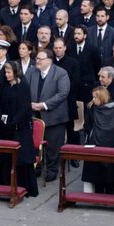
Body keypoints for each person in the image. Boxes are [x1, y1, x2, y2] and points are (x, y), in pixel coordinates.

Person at [0, 62, 38, 197]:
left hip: (19, 128)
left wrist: (13, 122)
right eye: (5, 72)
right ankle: (4, 185)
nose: (6, 75)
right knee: (4, 157)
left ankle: (24, 186)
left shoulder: (22, 86)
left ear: (15, 72)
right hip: (5, 128)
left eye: (9, 73)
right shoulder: (4, 85)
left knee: (21, 159)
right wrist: (0, 118)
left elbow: (25, 108)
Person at [27, 49, 71, 182]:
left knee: (53, 145)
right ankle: (37, 167)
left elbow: (63, 93)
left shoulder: (60, 73)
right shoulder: (31, 71)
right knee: (34, 143)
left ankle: (52, 170)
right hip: (34, 115)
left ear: (49, 61)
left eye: (40, 59)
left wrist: (44, 105)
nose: (37, 61)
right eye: (37, 59)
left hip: (54, 116)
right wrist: (30, 104)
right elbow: (24, 88)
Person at [83, 86, 114, 194]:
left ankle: (110, 193)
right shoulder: (91, 107)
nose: (93, 100)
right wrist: (93, 133)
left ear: (102, 97)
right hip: (93, 143)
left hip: (110, 144)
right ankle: (98, 193)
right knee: (95, 172)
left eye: (95, 97)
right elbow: (87, 124)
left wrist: (104, 136)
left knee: (109, 173)